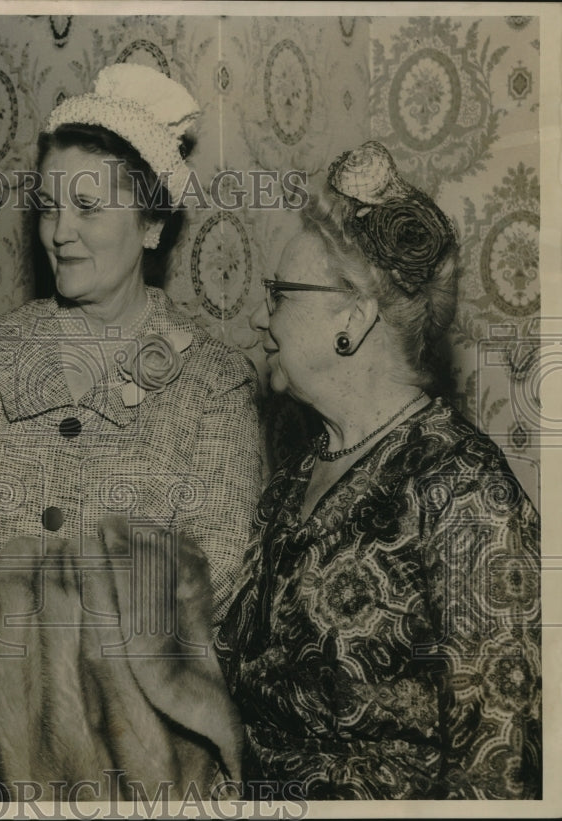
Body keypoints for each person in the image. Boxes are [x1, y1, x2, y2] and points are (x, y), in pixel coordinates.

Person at [0, 63, 264, 795]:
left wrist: (31, 644)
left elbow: (207, 568)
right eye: (48, 206)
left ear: (152, 224)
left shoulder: (212, 383)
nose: (59, 232)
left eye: (89, 208)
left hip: (152, 767)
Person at [214, 140, 541, 800]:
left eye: (279, 293)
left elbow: (498, 771)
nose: (258, 314)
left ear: (354, 317)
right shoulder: (295, 474)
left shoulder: (462, 487)